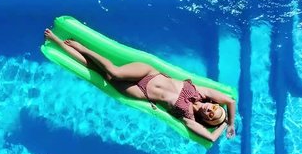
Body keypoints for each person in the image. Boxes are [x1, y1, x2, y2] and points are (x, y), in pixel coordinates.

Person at [44, 29, 236, 142]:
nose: (210, 109)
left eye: (211, 115)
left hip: (142, 93)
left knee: (102, 75)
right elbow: (229, 100)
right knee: (115, 72)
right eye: (214, 108)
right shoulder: (201, 92)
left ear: (206, 119)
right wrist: (231, 122)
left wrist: (224, 126)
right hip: (149, 73)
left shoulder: (190, 119)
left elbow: (210, 138)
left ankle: (60, 44)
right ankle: (82, 48)